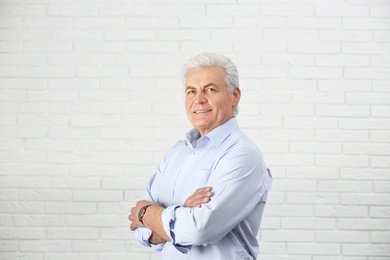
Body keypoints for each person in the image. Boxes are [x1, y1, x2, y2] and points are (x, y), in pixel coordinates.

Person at [128, 52, 272, 259]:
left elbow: (199, 230)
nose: (198, 100)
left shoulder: (242, 155)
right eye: (191, 91)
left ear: (235, 96)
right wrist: (181, 214)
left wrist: (147, 213)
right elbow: (139, 230)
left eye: (210, 89)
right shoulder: (177, 152)